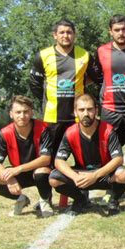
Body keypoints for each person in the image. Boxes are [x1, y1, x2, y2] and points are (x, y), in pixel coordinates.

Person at [92, 15, 125, 206]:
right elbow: (98, 76)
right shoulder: (101, 51)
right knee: (110, 153)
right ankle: (111, 189)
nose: (121, 33)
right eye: (117, 30)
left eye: (124, 29)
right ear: (110, 32)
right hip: (110, 109)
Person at [49, 94, 125, 215]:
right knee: (54, 178)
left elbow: (118, 159)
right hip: (81, 175)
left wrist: (95, 175)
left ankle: (113, 200)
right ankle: (80, 200)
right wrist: (75, 177)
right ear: (75, 112)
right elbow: (58, 161)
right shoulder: (70, 132)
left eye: (90, 109)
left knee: (124, 174)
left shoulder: (108, 130)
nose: (86, 113)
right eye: (81, 110)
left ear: (96, 111)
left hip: (103, 174)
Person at [30, 18, 95, 157]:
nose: (66, 35)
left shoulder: (85, 55)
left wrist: (81, 85)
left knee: (85, 157)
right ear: (55, 35)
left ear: (74, 35)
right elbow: (35, 84)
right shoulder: (42, 55)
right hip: (52, 117)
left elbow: (96, 78)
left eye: (69, 32)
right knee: (50, 158)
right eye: (62, 32)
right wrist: (47, 98)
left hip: (78, 116)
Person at [0, 96, 53, 217]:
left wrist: (19, 168)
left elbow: (46, 159)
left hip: (39, 172)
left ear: (32, 112)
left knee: (41, 172)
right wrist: (9, 179)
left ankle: (44, 200)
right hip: (18, 173)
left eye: (26, 111)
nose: (22, 116)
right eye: (18, 112)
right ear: (11, 114)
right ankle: (21, 199)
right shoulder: (5, 133)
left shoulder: (43, 129)